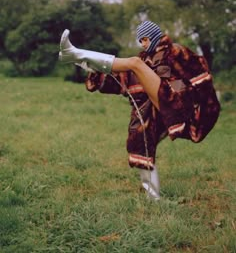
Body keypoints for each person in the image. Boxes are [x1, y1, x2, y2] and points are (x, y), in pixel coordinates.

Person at [59, 20, 220, 201]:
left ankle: (76, 54)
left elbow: (199, 79)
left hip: (188, 107)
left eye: (145, 39)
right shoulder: (148, 61)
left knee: (135, 63)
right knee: (142, 138)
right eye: (140, 41)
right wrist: (95, 70)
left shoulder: (176, 52)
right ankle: (153, 198)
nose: (143, 44)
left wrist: (176, 88)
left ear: (155, 36)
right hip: (167, 106)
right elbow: (123, 78)